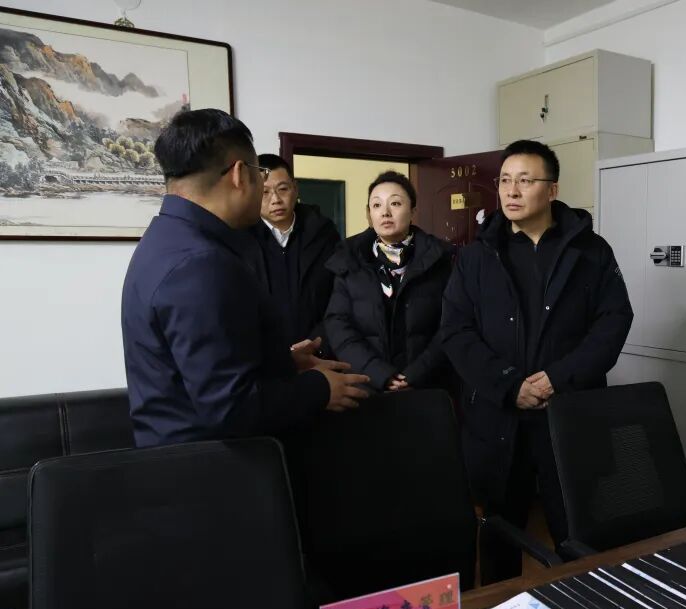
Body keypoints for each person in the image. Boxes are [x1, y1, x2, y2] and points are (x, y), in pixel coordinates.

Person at [441, 139, 634, 583]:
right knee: (498, 533)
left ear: (552, 189)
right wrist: (511, 385)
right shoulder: (476, 255)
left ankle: (582, 605)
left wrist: (557, 379)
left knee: (577, 530)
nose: (511, 191)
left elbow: (613, 321)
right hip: (498, 414)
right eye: (505, 180)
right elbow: (455, 330)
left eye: (525, 181)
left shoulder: (590, 251)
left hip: (567, 412)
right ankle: (500, 608)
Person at [121, 109, 368, 447]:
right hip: (211, 466)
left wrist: (283, 364)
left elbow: (207, 365)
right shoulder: (201, 263)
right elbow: (231, 408)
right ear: (239, 174)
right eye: (260, 174)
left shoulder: (166, 239)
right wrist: (320, 388)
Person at [323, 171, 454, 391]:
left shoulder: (439, 261)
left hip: (426, 386)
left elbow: (451, 324)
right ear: (369, 214)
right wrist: (379, 373)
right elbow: (338, 326)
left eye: (395, 203)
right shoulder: (349, 260)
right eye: (376, 205)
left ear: (413, 211)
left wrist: (415, 373)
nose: (385, 212)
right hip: (367, 386)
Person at [245, 153, 340, 348]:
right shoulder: (242, 238)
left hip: (319, 351)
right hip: (264, 356)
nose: (276, 200)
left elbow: (341, 296)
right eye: (264, 192)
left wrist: (317, 343)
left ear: (295, 189)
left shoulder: (323, 233)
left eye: (283, 189)